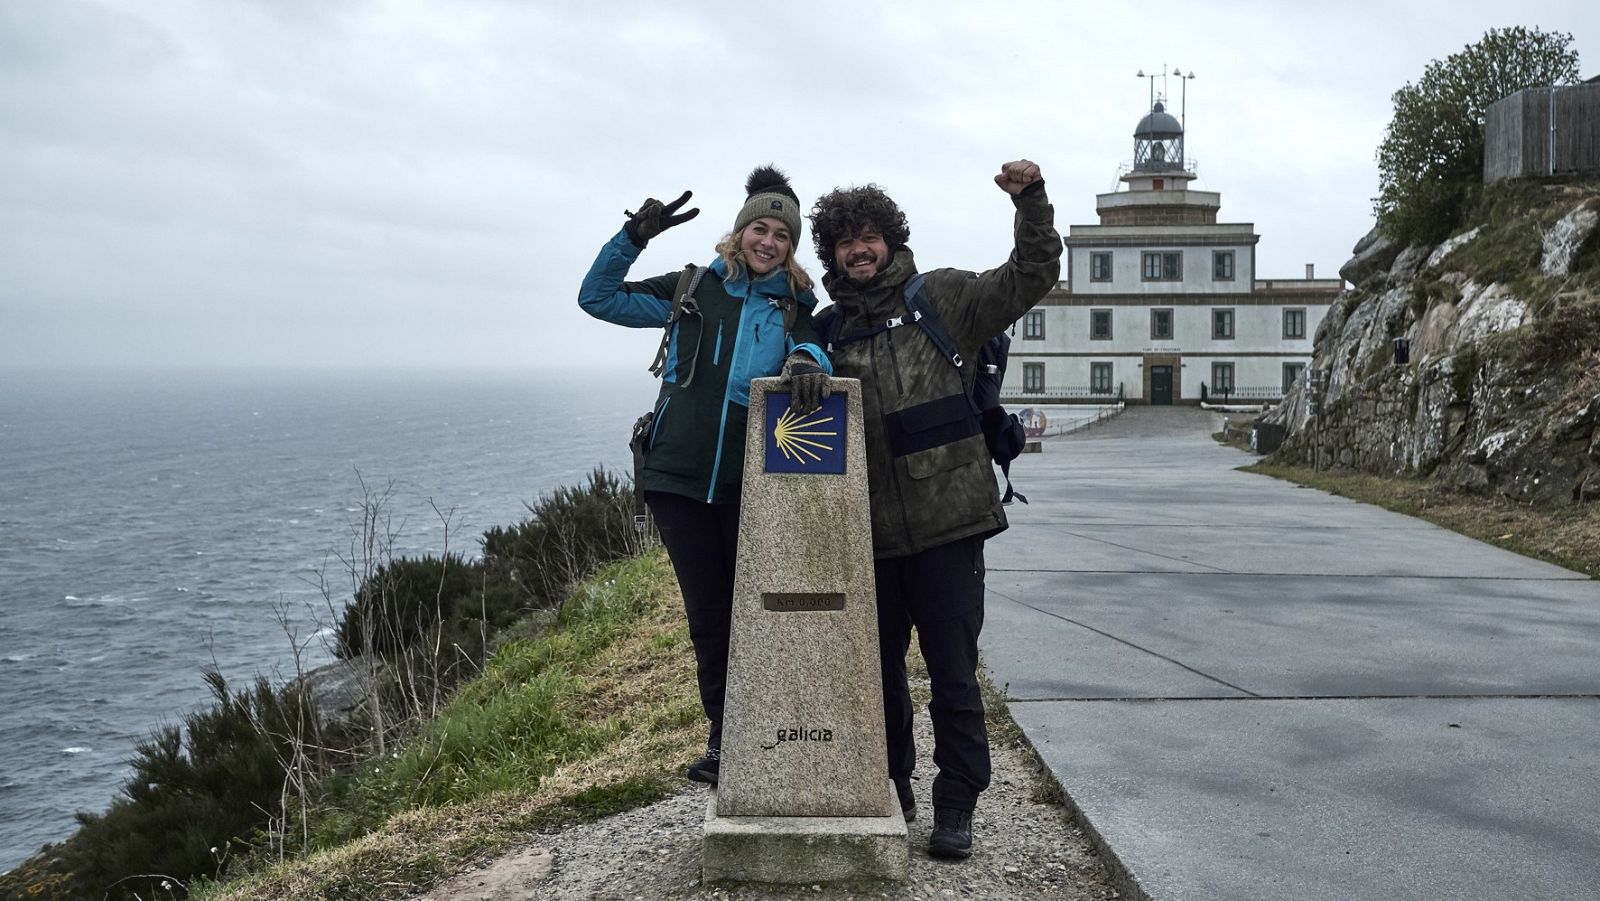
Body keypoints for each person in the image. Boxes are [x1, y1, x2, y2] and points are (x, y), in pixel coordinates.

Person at [807, 160, 1061, 858]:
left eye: (869, 237)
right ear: (829, 254)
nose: (858, 250)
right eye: (843, 242)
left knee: (952, 668)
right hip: (868, 536)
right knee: (879, 670)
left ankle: (957, 801)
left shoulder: (942, 297)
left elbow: (1030, 273)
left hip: (951, 525)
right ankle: (894, 782)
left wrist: (1031, 201)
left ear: (890, 238)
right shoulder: (824, 333)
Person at [578, 166, 831, 785]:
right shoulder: (692, 287)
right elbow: (598, 298)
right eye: (759, 228)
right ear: (740, 230)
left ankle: (767, 730)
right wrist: (633, 237)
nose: (767, 241)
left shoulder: (797, 304)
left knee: (756, 611)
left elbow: (819, 349)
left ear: (791, 248)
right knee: (707, 615)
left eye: (781, 235)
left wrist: (806, 355)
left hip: (753, 481)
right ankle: (725, 741)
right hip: (680, 479)